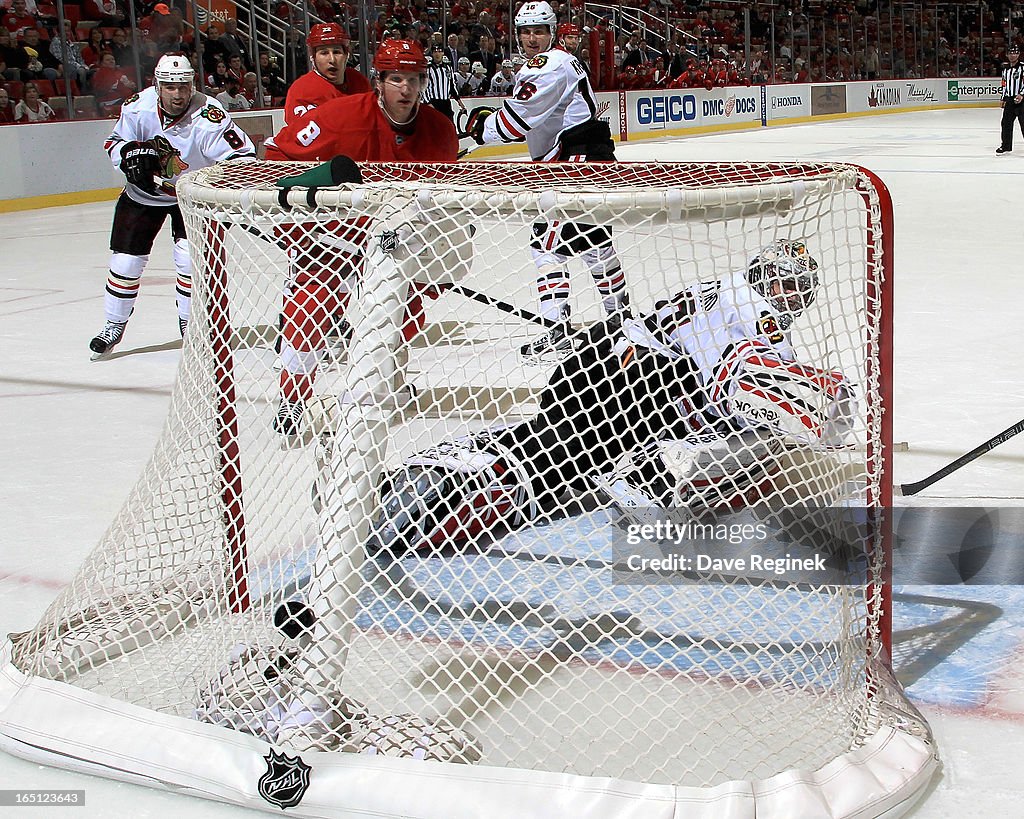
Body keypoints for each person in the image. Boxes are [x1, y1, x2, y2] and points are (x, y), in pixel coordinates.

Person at [368, 240, 854, 555]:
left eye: (798, 288)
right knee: (747, 442)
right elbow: (739, 383)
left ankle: (416, 482)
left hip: (596, 366)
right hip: (640, 385)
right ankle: (647, 476)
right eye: (782, 282)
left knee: (544, 461)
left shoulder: (720, 287)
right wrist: (818, 421)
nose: (788, 295)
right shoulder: (755, 312)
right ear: (763, 277)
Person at [263, 39, 458, 435]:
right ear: (379, 82)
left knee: (405, 312)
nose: (406, 89)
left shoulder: (439, 130)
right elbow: (275, 155)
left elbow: (443, 193)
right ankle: (293, 397)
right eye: (396, 79)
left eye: (414, 80)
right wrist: (305, 209)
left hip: (399, 236)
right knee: (309, 311)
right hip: (336, 234)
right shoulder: (339, 116)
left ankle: (388, 380)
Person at [465, 0, 630, 362]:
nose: (531, 38)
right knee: (595, 246)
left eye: (538, 31)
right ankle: (622, 322)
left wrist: (476, 129)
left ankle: (557, 332)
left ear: (551, 32)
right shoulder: (560, 61)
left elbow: (517, 122)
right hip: (590, 157)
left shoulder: (549, 65)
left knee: (546, 247)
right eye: (525, 32)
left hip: (573, 162)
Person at [88, 53, 256, 358]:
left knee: (189, 262)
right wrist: (129, 157)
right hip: (142, 196)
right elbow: (114, 142)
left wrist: (225, 186)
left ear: (192, 84)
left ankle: (188, 324)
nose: (178, 94)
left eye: (183, 86)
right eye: (170, 87)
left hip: (189, 199)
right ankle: (113, 324)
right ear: (157, 85)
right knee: (124, 264)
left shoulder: (209, 115)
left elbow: (242, 156)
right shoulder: (137, 107)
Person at [283, 22, 370, 125]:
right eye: (324, 53)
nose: (332, 60)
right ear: (313, 57)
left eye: (337, 52)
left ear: (346, 55)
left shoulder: (359, 81)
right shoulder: (301, 90)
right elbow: (299, 134)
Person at [422, 43, 465, 121]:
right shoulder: (428, 68)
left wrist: (459, 102)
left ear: (443, 53)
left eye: (439, 51)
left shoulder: (448, 67)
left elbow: (451, 85)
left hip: (446, 103)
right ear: (432, 54)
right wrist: (428, 103)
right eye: (435, 52)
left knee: (449, 126)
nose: (437, 54)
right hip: (434, 101)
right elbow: (424, 87)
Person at [997, 45, 1024, 155]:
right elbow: (1004, 84)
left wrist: (1022, 94)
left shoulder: (1023, 67)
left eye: (1015, 53)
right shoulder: (1005, 69)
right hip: (1009, 99)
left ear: (1018, 55)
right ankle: (1006, 146)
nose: (1013, 55)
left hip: (1022, 100)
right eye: (1010, 53)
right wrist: (1003, 98)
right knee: (1006, 123)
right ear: (1007, 55)